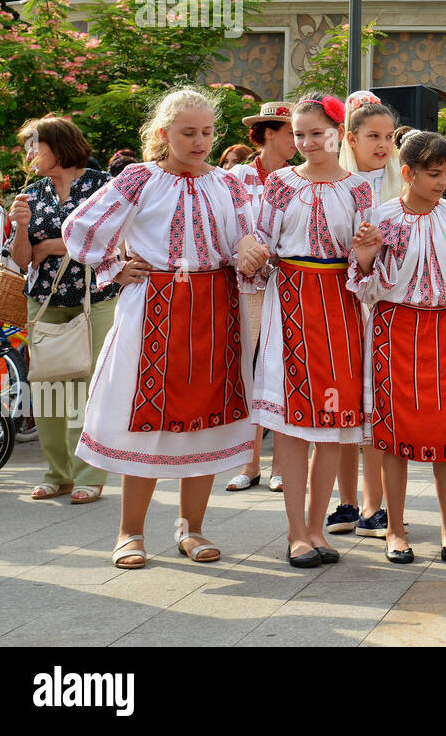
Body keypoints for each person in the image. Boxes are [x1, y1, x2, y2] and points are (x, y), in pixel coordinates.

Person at [62, 88, 266, 567]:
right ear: (163, 134)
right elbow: (81, 227)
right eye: (188, 133)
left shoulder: (229, 184)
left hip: (217, 309)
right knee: (146, 420)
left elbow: (245, 239)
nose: (199, 142)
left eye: (207, 132)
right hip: (155, 306)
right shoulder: (140, 179)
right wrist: (114, 268)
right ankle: (130, 532)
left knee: (207, 421)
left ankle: (191, 529)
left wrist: (250, 254)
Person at [349, 131, 446, 564]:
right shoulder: (380, 218)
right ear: (407, 172)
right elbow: (362, 282)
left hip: (441, 327)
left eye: (445, 174)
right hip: (394, 327)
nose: (441, 182)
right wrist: (366, 256)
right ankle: (395, 530)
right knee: (394, 433)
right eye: (432, 174)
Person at [248, 94, 372, 568]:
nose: (306, 142)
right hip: (293, 300)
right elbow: (262, 240)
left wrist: (365, 253)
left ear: (338, 133)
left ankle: (318, 528)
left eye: (316, 133)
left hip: (340, 306)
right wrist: (253, 253)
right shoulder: (279, 183)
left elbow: (367, 263)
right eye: (299, 134)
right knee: (295, 425)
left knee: (331, 424)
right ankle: (296, 532)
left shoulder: (360, 189)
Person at [9, 117, 120, 506]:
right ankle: (57, 473)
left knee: (90, 388)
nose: (28, 155)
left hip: (96, 296)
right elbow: (24, 259)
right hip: (43, 301)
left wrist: (53, 244)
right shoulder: (32, 193)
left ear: (58, 145)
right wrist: (22, 229)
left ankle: (89, 474)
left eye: (34, 146)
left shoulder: (101, 184)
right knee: (49, 389)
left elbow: (109, 239)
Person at [319, 91, 403, 540]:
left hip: (382, 305)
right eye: (373, 136)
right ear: (350, 139)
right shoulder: (334, 184)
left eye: (389, 137)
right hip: (337, 302)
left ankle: (376, 505)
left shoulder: (398, 187)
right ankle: (345, 501)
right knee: (340, 403)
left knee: (374, 403)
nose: (383, 145)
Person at [225, 101, 297, 493]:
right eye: (290, 133)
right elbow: (225, 226)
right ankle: (248, 462)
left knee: (282, 375)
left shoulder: (297, 178)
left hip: (284, 287)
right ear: (269, 133)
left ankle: (281, 466)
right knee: (246, 377)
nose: (296, 141)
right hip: (244, 288)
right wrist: (245, 253)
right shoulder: (235, 176)